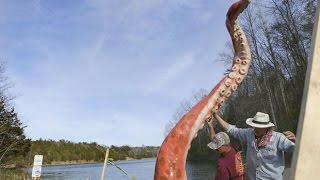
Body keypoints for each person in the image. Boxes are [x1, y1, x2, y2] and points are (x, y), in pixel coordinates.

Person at [213, 111, 295, 180]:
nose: (255, 129)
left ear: (266, 128)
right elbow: (231, 130)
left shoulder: (278, 138)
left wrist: (296, 140)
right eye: (254, 126)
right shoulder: (249, 134)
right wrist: (216, 116)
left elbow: (298, 151)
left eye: (259, 127)